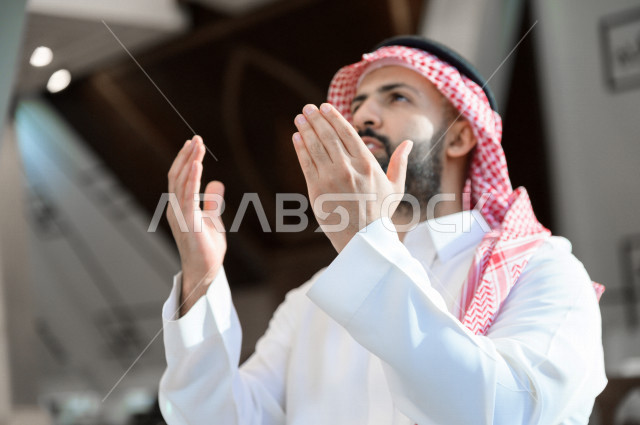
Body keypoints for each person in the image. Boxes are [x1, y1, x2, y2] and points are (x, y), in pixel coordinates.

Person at [158, 36, 607, 424]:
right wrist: (201, 277)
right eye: (357, 104)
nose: (365, 116)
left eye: (397, 98)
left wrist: (364, 243)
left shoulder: (544, 273)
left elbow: (503, 413)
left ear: (459, 137)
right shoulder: (310, 303)